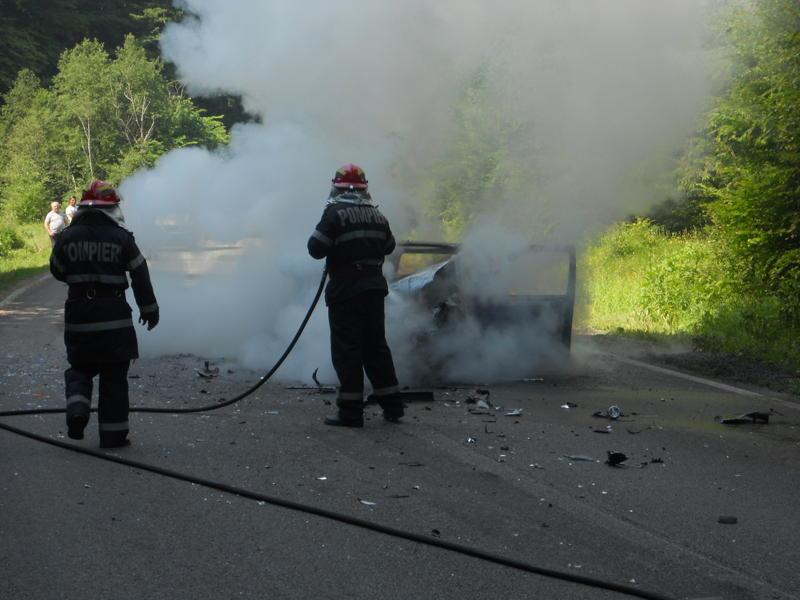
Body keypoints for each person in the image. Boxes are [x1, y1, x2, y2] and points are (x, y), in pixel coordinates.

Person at [49, 180, 159, 448]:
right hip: (115, 319)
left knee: (80, 368)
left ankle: (77, 410)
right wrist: (149, 309)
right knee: (114, 379)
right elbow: (140, 273)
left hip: (80, 316)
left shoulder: (67, 237)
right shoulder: (121, 237)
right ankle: (113, 436)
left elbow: (57, 270)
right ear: (110, 209)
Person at [307, 164, 403, 427]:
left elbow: (315, 248)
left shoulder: (334, 214)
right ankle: (393, 406)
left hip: (346, 291)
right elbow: (389, 246)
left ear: (336, 186)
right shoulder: (378, 216)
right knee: (376, 348)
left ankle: (350, 412)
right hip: (373, 290)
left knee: (348, 350)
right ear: (364, 189)